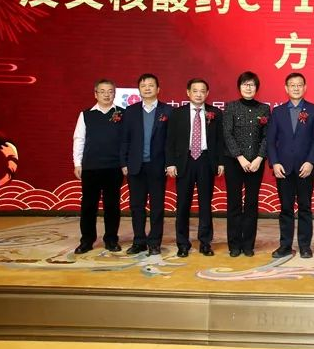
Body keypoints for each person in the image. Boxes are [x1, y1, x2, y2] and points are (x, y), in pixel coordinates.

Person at [267, 72, 314, 259]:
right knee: (286, 208)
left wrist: (310, 161)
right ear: (286, 88)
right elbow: (270, 141)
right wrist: (275, 163)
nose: (296, 88)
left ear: (305, 87)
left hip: (305, 168)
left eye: (300, 85)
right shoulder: (278, 112)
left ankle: (305, 246)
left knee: (305, 208)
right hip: (283, 168)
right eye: (292, 85)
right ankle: (285, 245)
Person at [166, 78, 224, 257]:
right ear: (188, 92)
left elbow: (220, 140)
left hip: (206, 161)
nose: (199, 94)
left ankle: (205, 242)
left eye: (202, 91)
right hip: (185, 161)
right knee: (183, 204)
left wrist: (220, 162)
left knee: (205, 204)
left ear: (207, 93)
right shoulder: (178, 113)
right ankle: (183, 243)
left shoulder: (215, 113)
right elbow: (170, 140)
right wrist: (170, 163)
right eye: (195, 90)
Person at [120, 73, 173, 256]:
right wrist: (124, 162)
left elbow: (171, 141)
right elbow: (124, 139)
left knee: (157, 207)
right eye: (143, 86)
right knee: (136, 206)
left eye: (151, 85)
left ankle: (154, 242)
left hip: (158, 165)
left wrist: (169, 163)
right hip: (135, 166)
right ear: (139, 90)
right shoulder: (131, 111)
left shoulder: (167, 111)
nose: (147, 88)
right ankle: (139, 241)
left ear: (158, 89)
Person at [222, 71, 271, 258]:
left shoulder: (264, 109)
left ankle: (248, 244)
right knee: (234, 204)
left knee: (251, 204)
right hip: (235, 162)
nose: (248, 88)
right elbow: (227, 134)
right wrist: (240, 157)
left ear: (257, 88)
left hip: (256, 163)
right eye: (245, 84)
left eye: (251, 85)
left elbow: (267, 136)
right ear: (239, 87)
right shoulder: (231, 107)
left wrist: (259, 158)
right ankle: (234, 245)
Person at [72, 79, 124, 254]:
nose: (106, 95)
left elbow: (127, 141)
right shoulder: (86, 114)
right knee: (88, 206)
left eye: (110, 91)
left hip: (114, 167)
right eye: (102, 91)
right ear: (95, 94)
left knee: (112, 206)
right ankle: (86, 241)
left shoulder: (122, 114)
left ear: (114, 94)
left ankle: (111, 239)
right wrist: (77, 163)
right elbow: (79, 139)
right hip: (91, 167)